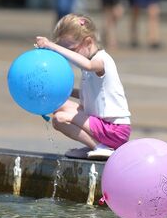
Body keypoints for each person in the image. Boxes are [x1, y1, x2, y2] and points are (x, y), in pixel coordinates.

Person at [35, 13, 131, 160]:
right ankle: (96, 144)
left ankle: (99, 147)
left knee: (60, 118)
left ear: (88, 42)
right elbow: (90, 95)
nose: (69, 57)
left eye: (71, 50)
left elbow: (88, 65)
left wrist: (51, 45)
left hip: (115, 130)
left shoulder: (100, 61)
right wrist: (59, 92)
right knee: (59, 106)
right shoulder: (89, 63)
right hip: (102, 124)